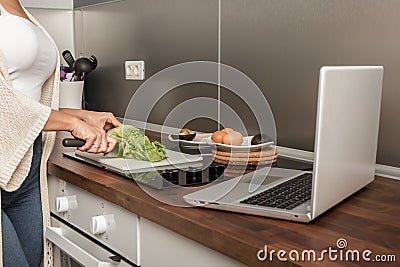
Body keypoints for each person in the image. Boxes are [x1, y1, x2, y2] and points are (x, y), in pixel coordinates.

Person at [0, 0, 122, 266]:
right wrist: (69, 123)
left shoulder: (20, 11)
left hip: (28, 162)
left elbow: (24, 95)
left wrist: (80, 115)